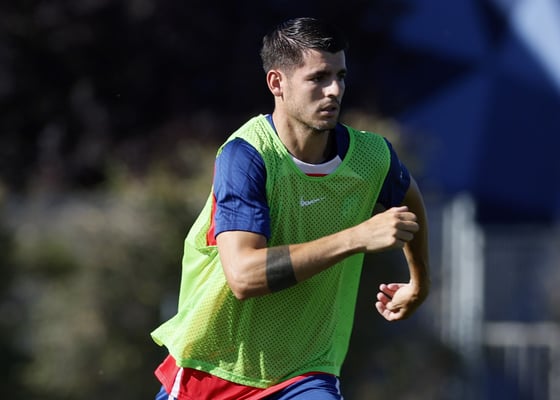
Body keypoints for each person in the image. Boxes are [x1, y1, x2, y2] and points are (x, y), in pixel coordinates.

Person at [151, 16, 430, 400]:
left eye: (341, 76)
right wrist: (355, 238)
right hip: (212, 372)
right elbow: (244, 276)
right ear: (276, 83)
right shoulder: (246, 156)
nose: (335, 90)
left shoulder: (371, 157)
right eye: (318, 78)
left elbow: (409, 196)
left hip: (306, 374)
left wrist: (420, 283)